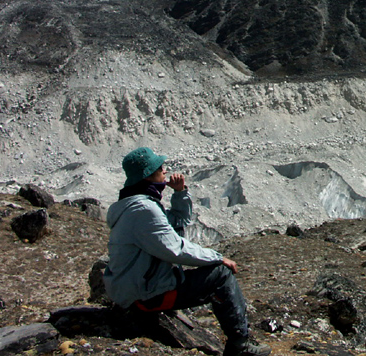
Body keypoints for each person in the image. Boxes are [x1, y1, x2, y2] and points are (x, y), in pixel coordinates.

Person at [103, 147, 271, 356]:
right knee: (220, 275)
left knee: (213, 273)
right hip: (145, 295)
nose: (165, 171)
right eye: (159, 168)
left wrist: (180, 193)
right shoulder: (143, 210)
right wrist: (218, 258)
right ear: (147, 176)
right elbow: (175, 249)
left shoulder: (136, 204)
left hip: (134, 289)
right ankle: (240, 346)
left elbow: (178, 221)